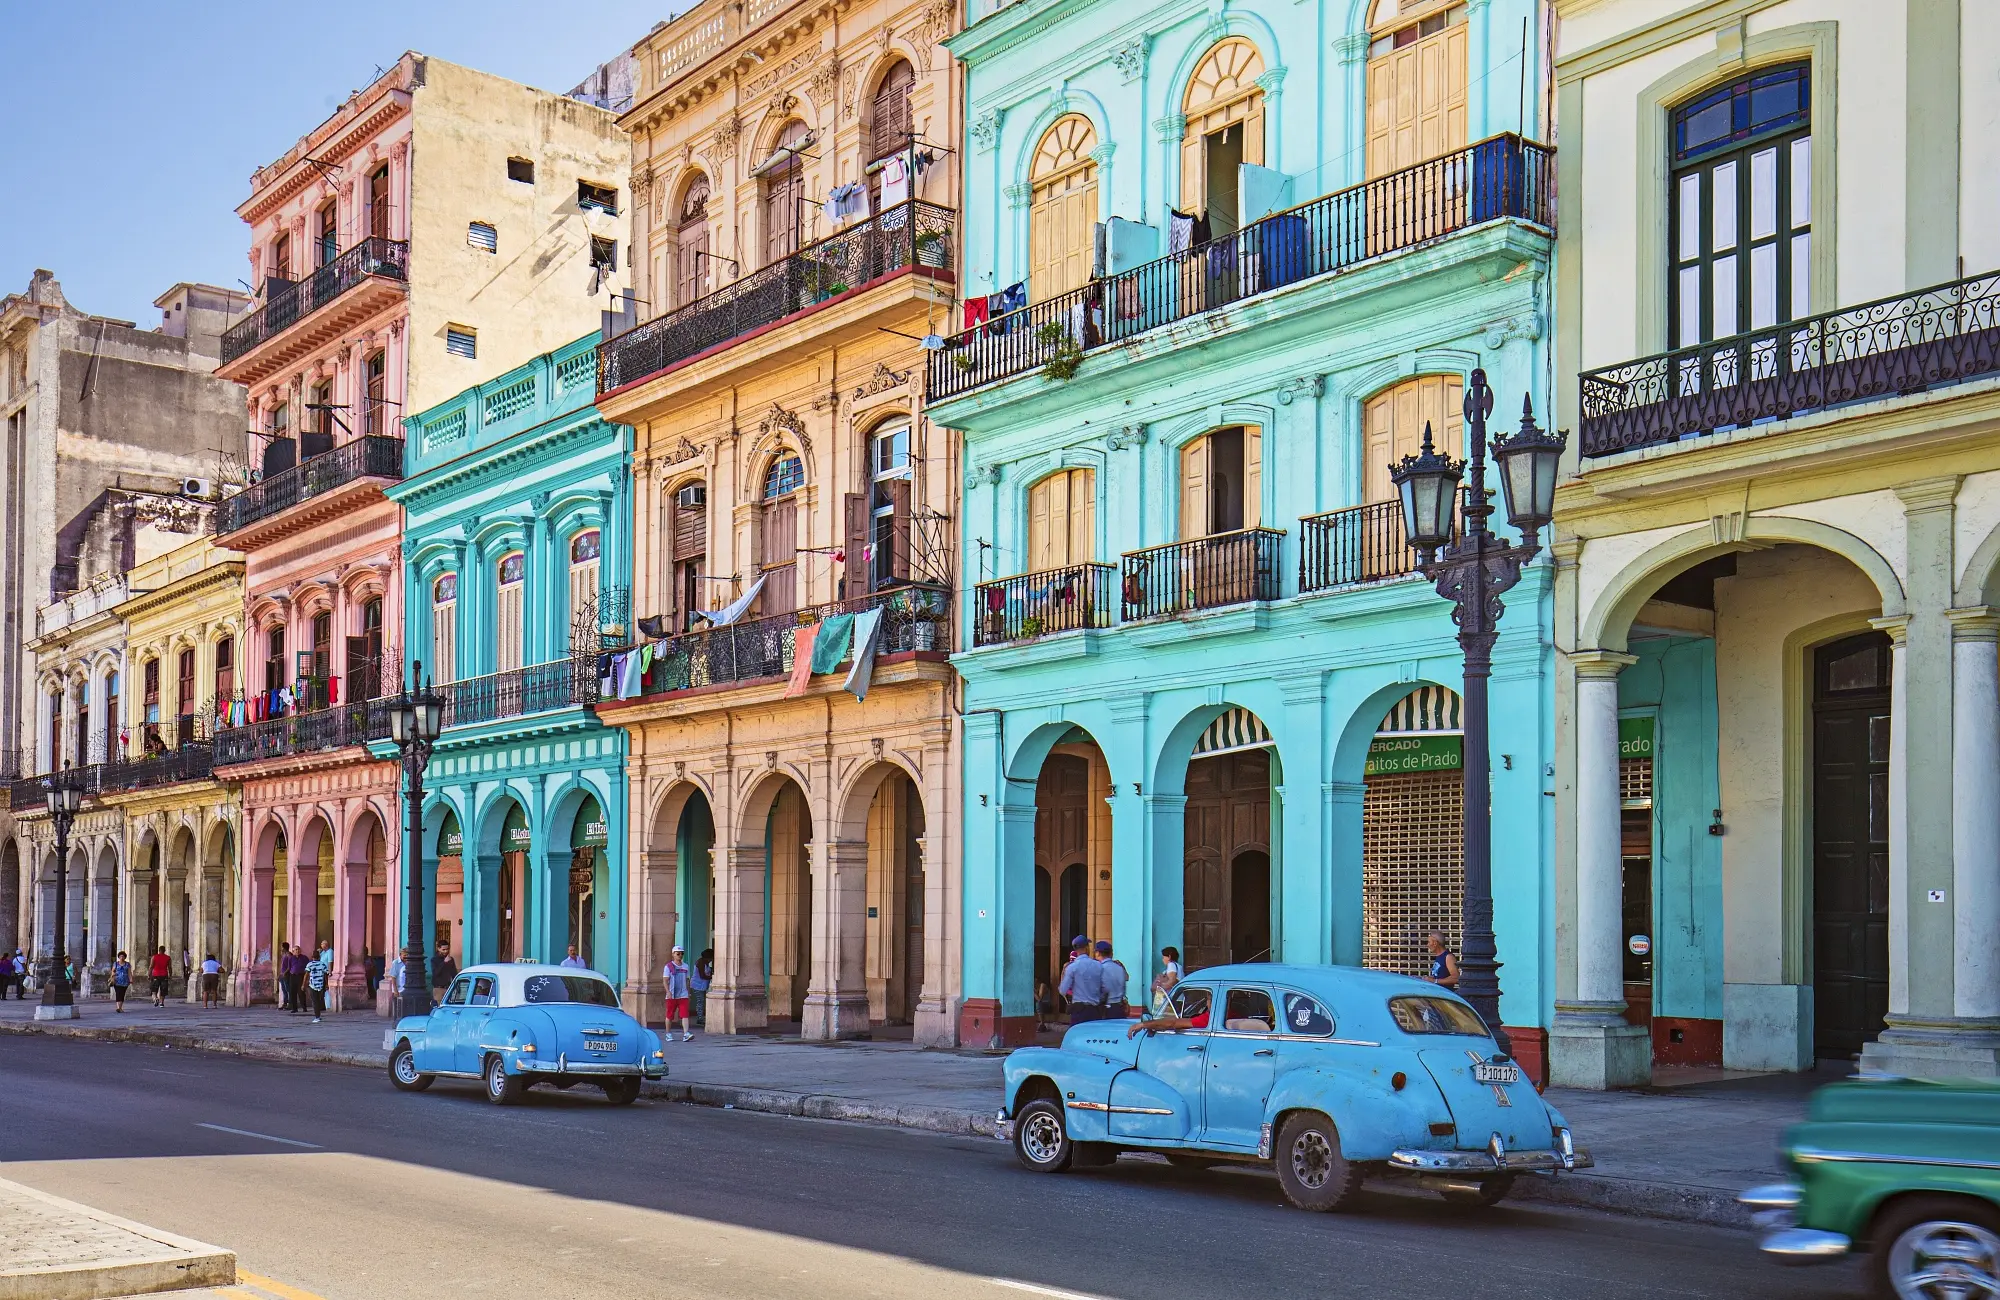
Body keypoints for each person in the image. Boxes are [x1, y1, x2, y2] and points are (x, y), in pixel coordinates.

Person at [1057, 936, 1104, 1025]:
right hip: (1095, 1010)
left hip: (1078, 1010)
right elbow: (1104, 988)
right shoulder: (1098, 965)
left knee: (1078, 1036)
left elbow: (1063, 990)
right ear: (1087, 948)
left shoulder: (1071, 967)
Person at [662, 946, 693, 1041]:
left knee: (685, 1014)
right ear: (673, 954)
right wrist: (668, 992)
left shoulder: (685, 966)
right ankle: (668, 1033)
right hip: (672, 995)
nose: (680, 955)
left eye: (682, 953)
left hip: (683, 994)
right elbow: (665, 980)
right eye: (678, 953)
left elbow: (687, 980)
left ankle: (686, 1033)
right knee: (670, 1015)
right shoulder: (668, 966)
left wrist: (688, 991)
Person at [1095, 940, 1130, 1020]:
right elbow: (1125, 981)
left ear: (1098, 953)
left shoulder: (1099, 969)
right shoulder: (1120, 968)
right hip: (1119, 1007)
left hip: (1105, 1009)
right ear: (1111, 953)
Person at [1151, 946, 1183, 1014]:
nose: (1163, 959)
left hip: (1173, 999)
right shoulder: (1178, 966)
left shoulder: (1171, 965)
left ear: (1169, 956)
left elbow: (1172, 981)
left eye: (1163, 957)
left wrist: (1160, 989)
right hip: (1179, 998)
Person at [304, 947, 330, 1023]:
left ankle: (317, 1017)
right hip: (321, 985)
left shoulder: (310, 964)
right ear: (319, 957)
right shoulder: (323, 964)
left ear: (312, 957)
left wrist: (303, 984)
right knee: (318, 1001)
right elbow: (326, 975)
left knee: (314, 1001)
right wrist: (327, 984)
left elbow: (306, 975)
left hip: (312, 985)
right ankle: (318, 1015)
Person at [690, 948, 712, 1028]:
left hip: (702, 986)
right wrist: (711, 977)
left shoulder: (706, 963)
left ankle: (700, 1017)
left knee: (701, 1001)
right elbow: (702, 975)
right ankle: (699, 1018)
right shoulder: (701, 963)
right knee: (700, 1001)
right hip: (697, 985)